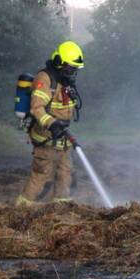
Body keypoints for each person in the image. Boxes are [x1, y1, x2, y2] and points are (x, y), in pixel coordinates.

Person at [17, 41, 84, 205]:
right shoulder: (45, 79)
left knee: (65, 172)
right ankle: (22, 207)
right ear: (60, 62)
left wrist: (60, 127)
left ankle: (61, 203)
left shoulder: (65, 81)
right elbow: (36, 108)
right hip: (45, 136)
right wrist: (52, 124)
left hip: (62, 138)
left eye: (75, 69)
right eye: (70, 68)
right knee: (41, 174)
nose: (73, 72)